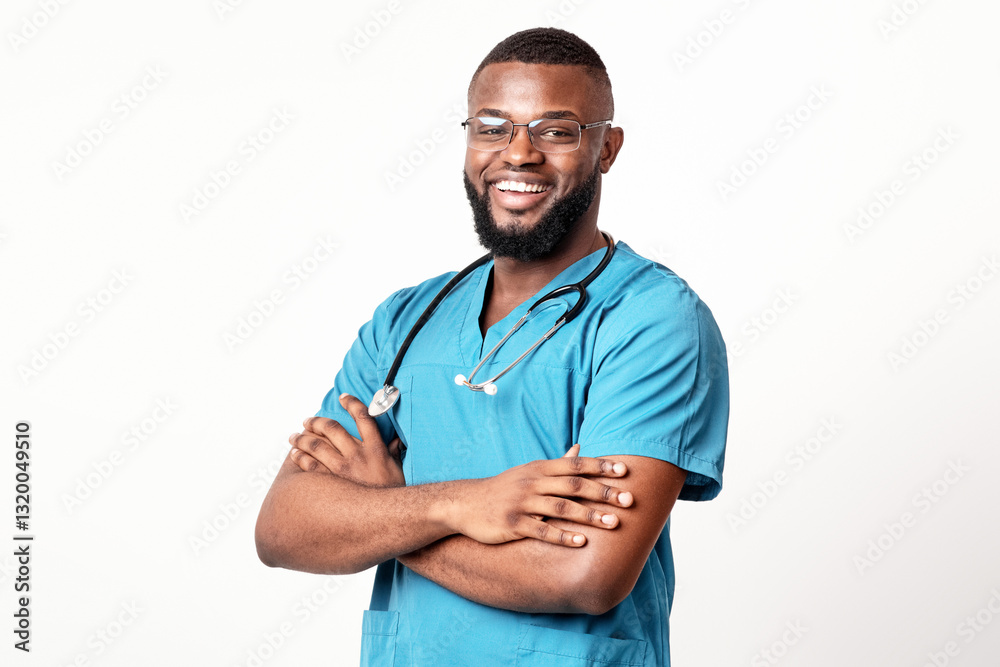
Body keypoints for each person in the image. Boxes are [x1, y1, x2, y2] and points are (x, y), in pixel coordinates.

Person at [255, 27, 729, 667]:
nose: (519, 153)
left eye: (556, 131)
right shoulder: (408, 319)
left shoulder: (650, 321)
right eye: (493, 126)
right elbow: (284, 528)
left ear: (607, 149)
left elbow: (586, 575)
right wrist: (460, 503)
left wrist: (383, 511)